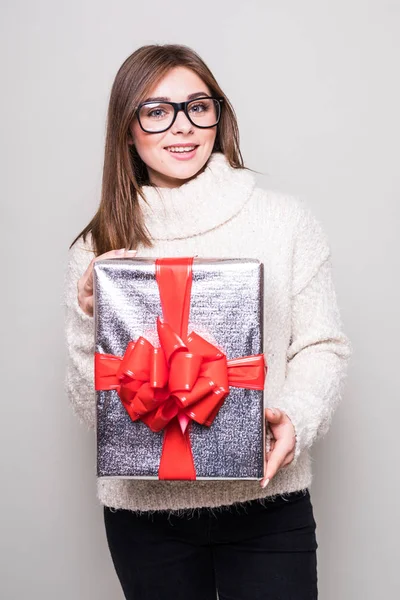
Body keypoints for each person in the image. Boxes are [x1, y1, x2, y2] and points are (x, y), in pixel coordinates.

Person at [63, 43, 352, 600]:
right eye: (156, 110)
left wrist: (297, 416)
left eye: (199, 106)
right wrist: (86, 319)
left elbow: (323, 346)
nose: (183, 126)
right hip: (144, 519)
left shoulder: (284, 222)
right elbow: (90, 409)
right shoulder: (99, 248)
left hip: (269, 503)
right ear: (127, 129)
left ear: (219, 115)